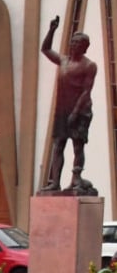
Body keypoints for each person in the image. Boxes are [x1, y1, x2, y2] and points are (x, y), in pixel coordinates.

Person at [41, 15, 98, 192]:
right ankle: (55, 181)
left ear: (84, 47)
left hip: (80, 111)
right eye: (72, 42)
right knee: (59, 144)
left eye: (77, 43)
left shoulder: (89, 66)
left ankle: (76, 178)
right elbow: (46, 49)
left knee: (77, 145)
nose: (73, 45)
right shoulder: (64, 61)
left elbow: (86, 91)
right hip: (63, 110)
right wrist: (52, 30)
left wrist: (75, 112)